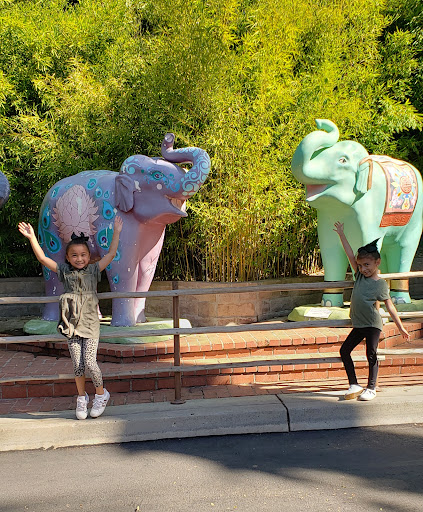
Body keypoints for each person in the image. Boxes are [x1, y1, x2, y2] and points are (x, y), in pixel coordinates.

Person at [18, 216, 123, 419]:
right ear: (67, 257)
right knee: (78, 364)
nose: (79, 259)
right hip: (71, 325)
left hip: (90, 325)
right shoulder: (64, 271)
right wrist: (32, 238)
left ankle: (101, 394)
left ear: (89, 256)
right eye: (74, 255)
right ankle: (81, 398)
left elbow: (111, 254)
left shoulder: (94, 270)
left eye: (83, 255)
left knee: (90, 362)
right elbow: (43, 259)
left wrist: (116, 232)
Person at [333, 221, 409, 401]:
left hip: (373, 325)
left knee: (371, 354)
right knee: (344, 351)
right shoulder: (359, 276)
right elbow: (349, 254)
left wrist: (400, 327)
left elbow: (390, 306)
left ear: (377, 262)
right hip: (359, 324)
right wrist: (341, 234)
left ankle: (371, 388)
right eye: (360, 265)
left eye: (367, 264)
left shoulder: (380, 284)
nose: (363, 269)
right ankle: (354, 384)